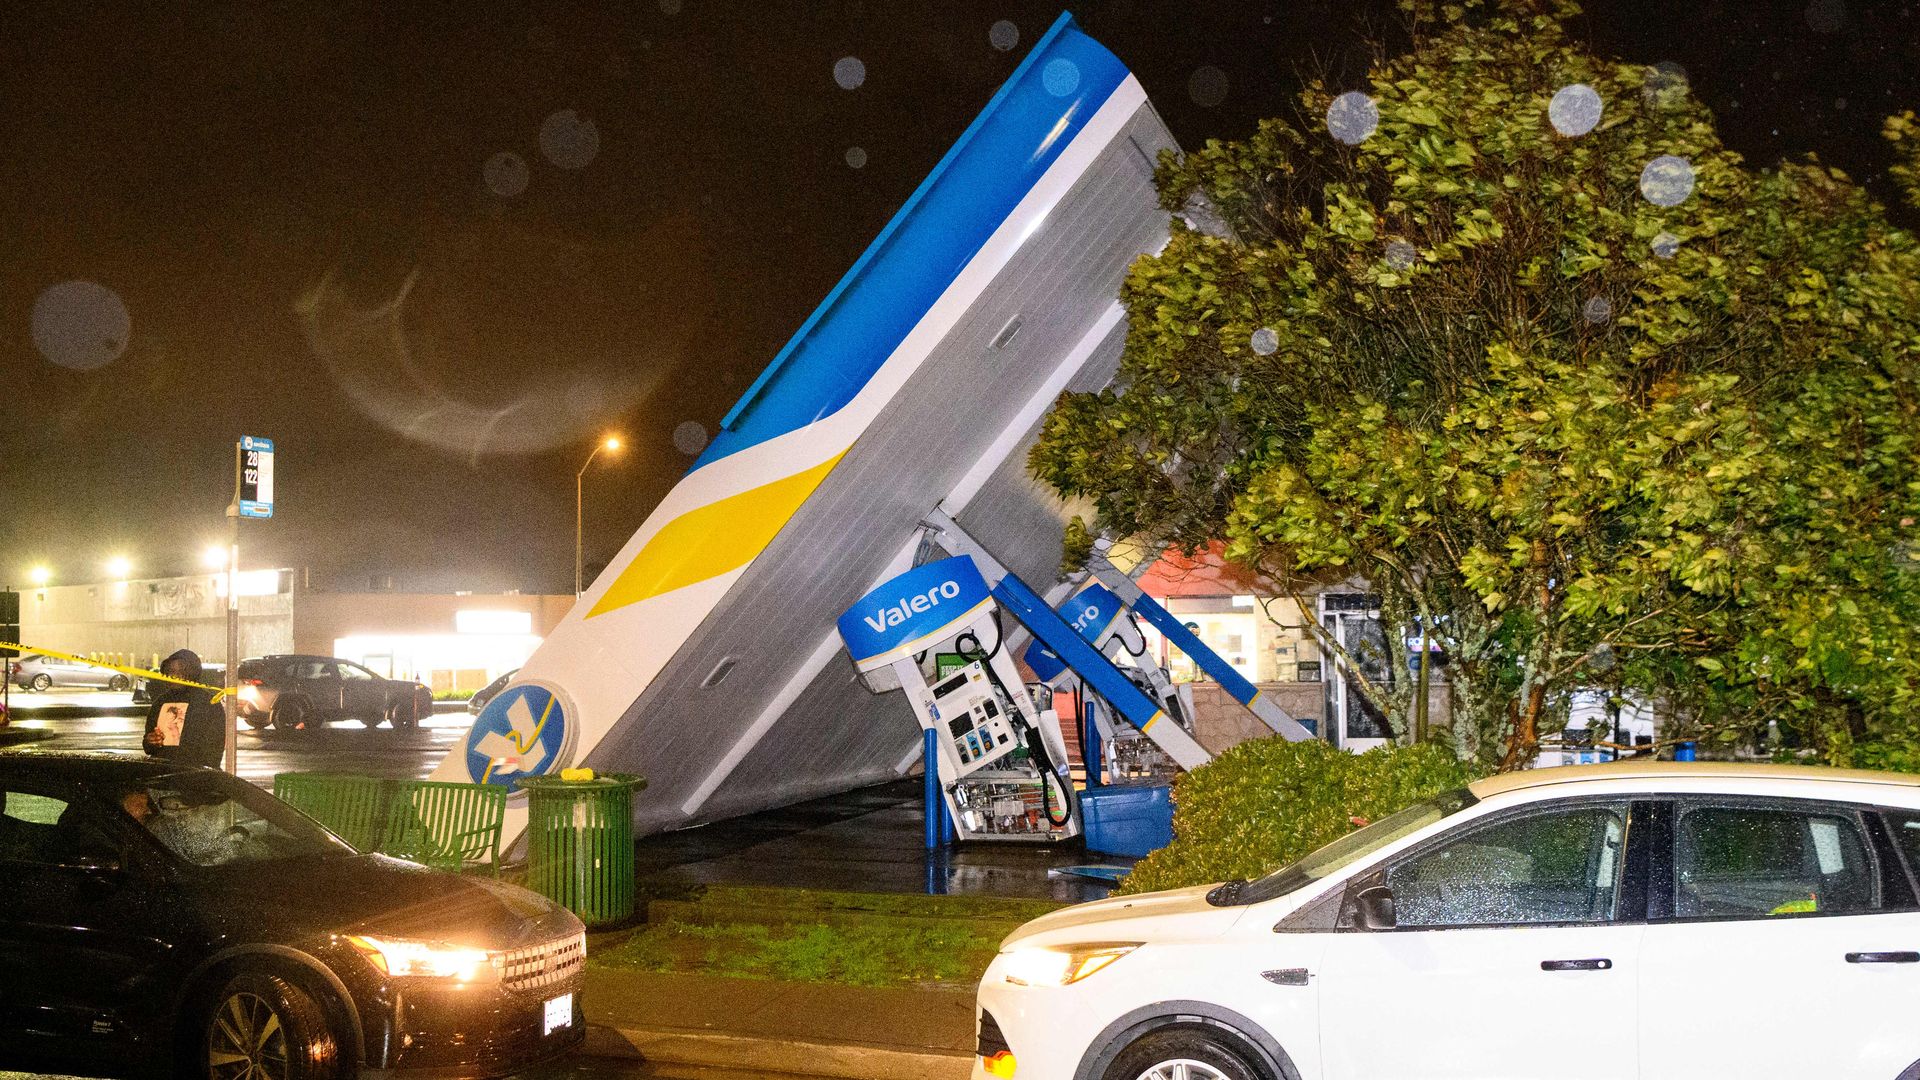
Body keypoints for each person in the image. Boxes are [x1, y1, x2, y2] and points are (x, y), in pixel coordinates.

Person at [142, 649, 225, 769]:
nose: (174, 676)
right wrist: (150, 741)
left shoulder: (208, 704)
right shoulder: (160, 702)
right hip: (162, 773)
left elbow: (214, 750)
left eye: (181, 671)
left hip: (193, 775)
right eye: (170, 671)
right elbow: (148, 745)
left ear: (193, 673)